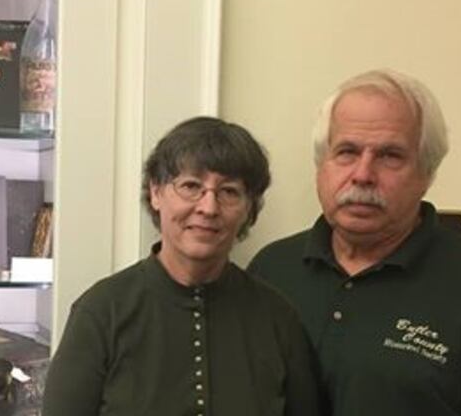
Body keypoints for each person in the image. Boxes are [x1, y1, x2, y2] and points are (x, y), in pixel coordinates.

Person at [248, 69, 461, 416]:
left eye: (390, 156)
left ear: (426, 174)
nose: (362, 174)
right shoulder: (271, 270)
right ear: (321, 166)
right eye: (347, 151)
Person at [43, 116, 326, 416]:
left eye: (229, 191)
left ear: (248, 208)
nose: (208, 208)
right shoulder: (101, 313)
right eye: (191, 186)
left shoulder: (278, 320)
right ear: (155, 192)